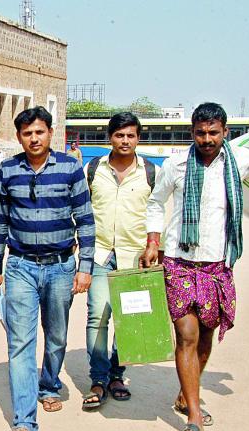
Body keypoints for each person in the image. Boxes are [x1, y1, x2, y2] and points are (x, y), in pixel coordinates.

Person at [142, 102, 249, 431]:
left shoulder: (240, 162)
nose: (206, 139)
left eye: (213, 132)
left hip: (217, 264)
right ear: (191, 133)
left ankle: (187, 393)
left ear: (225, 133)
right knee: (186, 335)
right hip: (179, 261)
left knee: (204, 339)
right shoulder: (176, 165)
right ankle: (194, 416)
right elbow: (156, 203)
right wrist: (153, 240)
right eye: (200, 132)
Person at [0, 106, 95, 431]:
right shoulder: (8, 170)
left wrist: (85, 267)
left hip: (62, 266)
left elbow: (86, 220)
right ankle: (24, 420)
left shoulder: (70, 167)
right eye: (27, 133)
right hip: (20, 267)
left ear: (50, 133)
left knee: (58, 336)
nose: (34, 138)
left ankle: (49, 384)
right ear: (19, 137)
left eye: (39, 132)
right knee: (20, 343)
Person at [81, 112, 161, 410]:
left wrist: (155, 246)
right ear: (109, 137)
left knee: (129, 319)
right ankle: (98, 378)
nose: (124, 141)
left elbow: (159, 211)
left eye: (130, 135)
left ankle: (117, 374)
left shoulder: (152, 172)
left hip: (135, 257)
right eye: (119, 135)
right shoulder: (92, 169)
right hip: (100, 253)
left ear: (138, 138)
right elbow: (83, 208)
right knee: (97, 316)